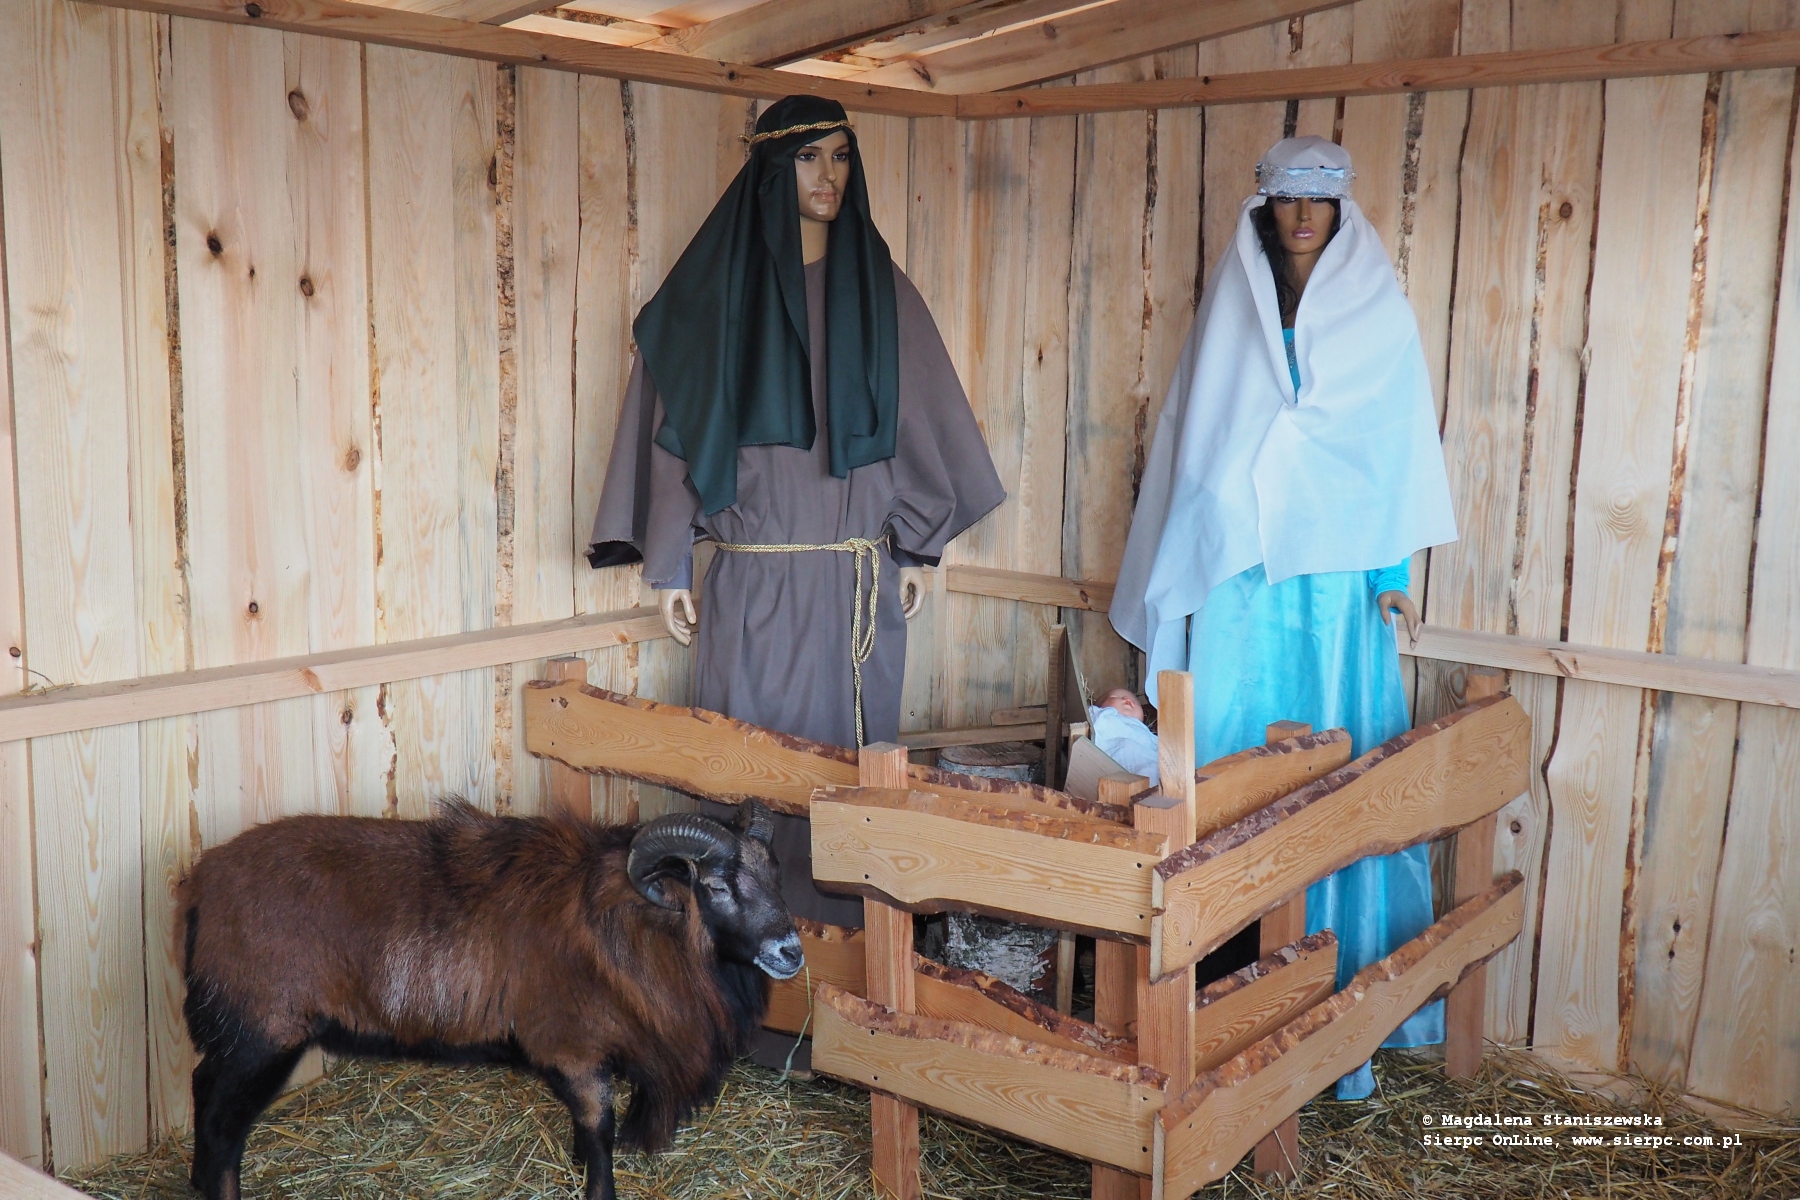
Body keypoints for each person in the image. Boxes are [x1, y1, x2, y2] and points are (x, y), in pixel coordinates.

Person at [588, 96, 1005, 1066]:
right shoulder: (713, 300)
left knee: (849, 790)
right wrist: (668, 561)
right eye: (811, 159)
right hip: (749, 585)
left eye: (843, 160)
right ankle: (743, 1015)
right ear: (773, 169)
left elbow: (927, 426)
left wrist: (914, 547)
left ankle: (848, 1012)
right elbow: (666, 421)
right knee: (746, 792)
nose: (828, 178)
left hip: (858, 590)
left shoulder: (881, 294)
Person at [1109, 136, 1458, 1099]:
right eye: (1289, 200)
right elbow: (1199, 439)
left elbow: (1384, 449)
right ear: (1265, 208)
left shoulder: (1377, 313)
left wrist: (1389, 567)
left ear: (1342, 210)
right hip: (1241, 580)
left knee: (1339, 762)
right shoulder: (1232, 310)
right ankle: (1225, 990)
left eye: (1320, 201)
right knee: (1231, 755)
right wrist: (1194, 552)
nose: (1304, 216)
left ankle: (1340, 997)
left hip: (1334, 586)